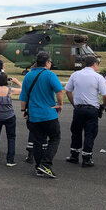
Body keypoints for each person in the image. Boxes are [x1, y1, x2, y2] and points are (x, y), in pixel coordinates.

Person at [19, 51, 64, 179]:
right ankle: (46, 164)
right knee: (55, 138)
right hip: (49, 114)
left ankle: (39, 166)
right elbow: (60, 91)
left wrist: (23, 111)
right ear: (47, 62)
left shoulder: (28, 76)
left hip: (34, 115)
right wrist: (60, 104)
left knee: (38, 141)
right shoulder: (50, 75)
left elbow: (23, 96)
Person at [64, 56, 106, 167]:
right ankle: (87, 158)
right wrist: (103, 105)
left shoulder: (75, 75)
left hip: (79, 108)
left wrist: (74, 104)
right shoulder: (98, 77)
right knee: (90, 133)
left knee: (76, 132)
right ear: (95, 64)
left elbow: (68, 91)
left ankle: (74, 155)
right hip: (92, 109)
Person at [0, 73, 22, 166]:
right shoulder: (10, 90)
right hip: (9, 116)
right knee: (11, 138)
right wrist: (17, 82)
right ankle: (10, 160)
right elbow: (25, 90)